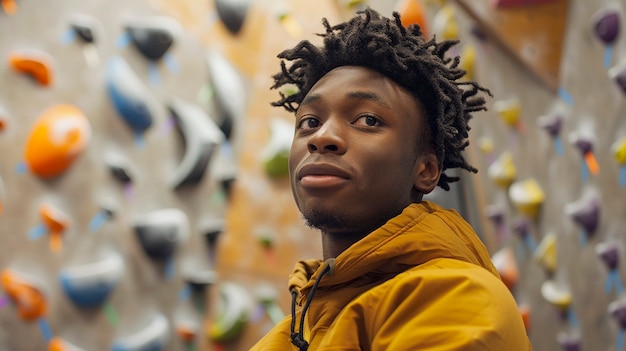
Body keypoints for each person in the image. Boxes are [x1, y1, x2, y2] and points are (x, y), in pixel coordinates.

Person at [250, 7, 531, 351]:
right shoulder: (282, 337)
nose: (321, 137)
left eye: (368, 120)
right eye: (309, 121)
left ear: (426, 170)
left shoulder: (457, 298)